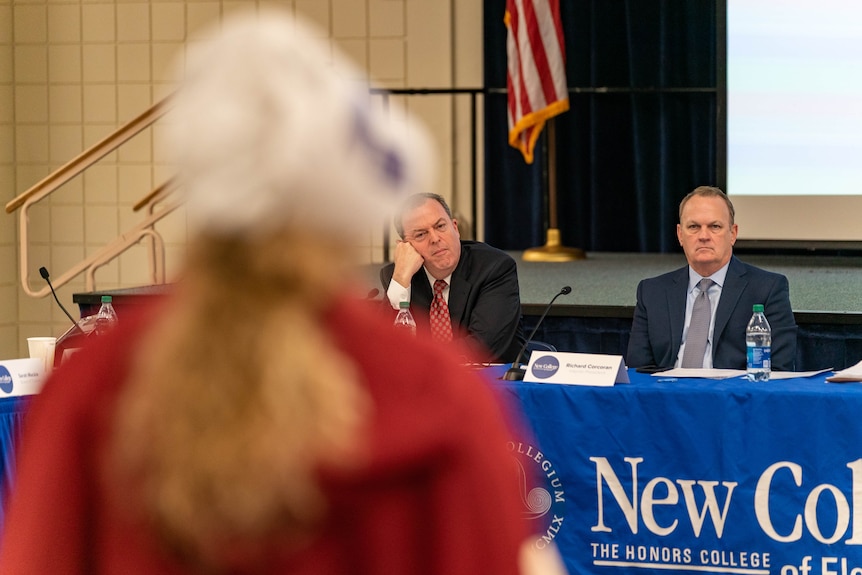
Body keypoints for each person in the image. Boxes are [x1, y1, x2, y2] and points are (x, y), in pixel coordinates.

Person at [0, 11, 565, 575]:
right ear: (352, 203)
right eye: (420, 232)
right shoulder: (436, 391)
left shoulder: (90, 386)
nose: (435, 239)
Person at [626, 186, 797, 371]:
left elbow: (778, 370)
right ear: (680, 234)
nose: (704, 236)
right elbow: (639, 371)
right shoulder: (652, 291)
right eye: (694, 227)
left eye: (715, 227)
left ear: (733, 234)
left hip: (732, 397)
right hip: (667, 395)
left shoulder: (767, 289)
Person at [380, 193, 526, 363]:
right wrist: (400, 278)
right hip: (424, 383)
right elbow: (382, 346)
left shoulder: (493, 268)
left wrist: (417, 359)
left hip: (494, 383)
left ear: (455, 228)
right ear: (404, 247)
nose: (435, 239)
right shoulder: (399, 277)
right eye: (421, 234)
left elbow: (481, 347)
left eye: (440, 226)